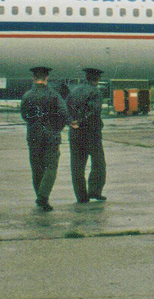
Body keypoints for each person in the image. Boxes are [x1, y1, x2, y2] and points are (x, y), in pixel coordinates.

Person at [20, 66, 68, 211]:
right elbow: (63, 113)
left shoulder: (27, 95)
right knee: (51, 166)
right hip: (51, 135)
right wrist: (57, 128)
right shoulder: (54, 94)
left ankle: (40, 196)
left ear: (33, 78)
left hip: (34, 135)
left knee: (36, 168)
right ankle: (43, 197)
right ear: (47, 78)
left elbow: (24, 115)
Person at [67, 67, 106, 203]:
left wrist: (73, 122)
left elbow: (67, 108)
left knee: (77, 165)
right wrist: (82, 121)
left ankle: (81, 196)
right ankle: (95, 191)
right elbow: (94, 112)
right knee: (99, 163)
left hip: (75, 132)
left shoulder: (74, 91)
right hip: (91, 133)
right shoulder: (95, 93)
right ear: (97, 79)